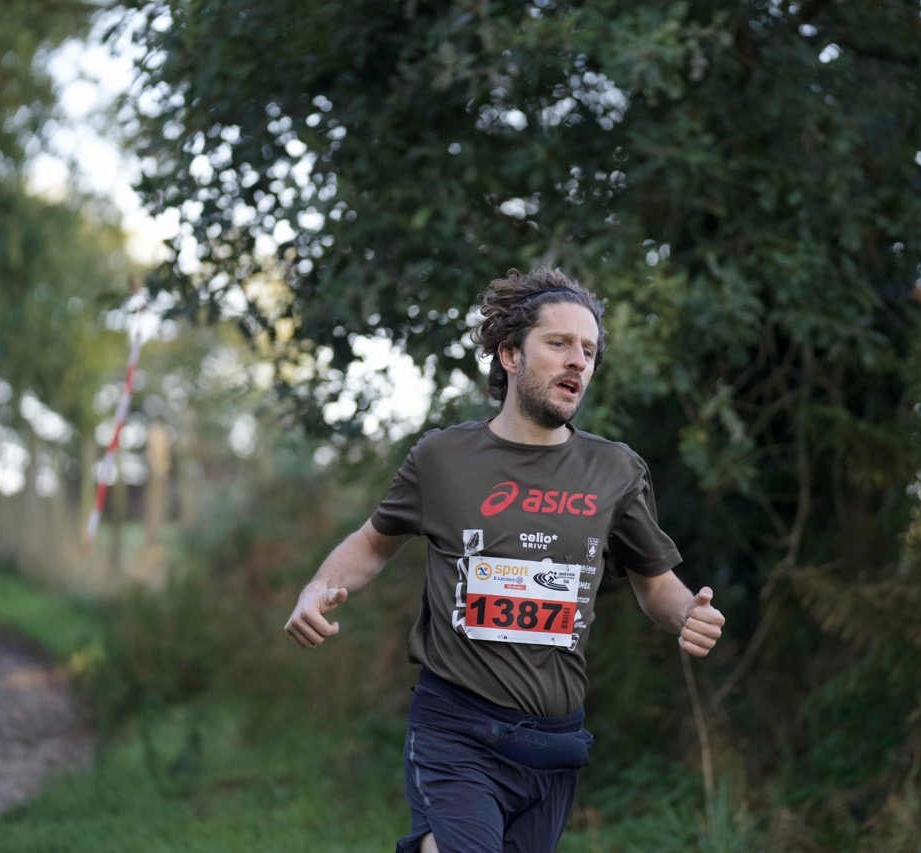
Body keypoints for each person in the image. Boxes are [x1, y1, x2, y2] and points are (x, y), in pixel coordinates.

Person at [284, 267, 725, 853]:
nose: (578, 361)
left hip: (554, 740)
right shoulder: (444, 458)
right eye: (559, 343)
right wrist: (317, 588)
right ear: (511, 354)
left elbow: (656, 585)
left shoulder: (615, 470)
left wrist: (687, 613)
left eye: (589, 350)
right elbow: (371, 543)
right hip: (457, 727)